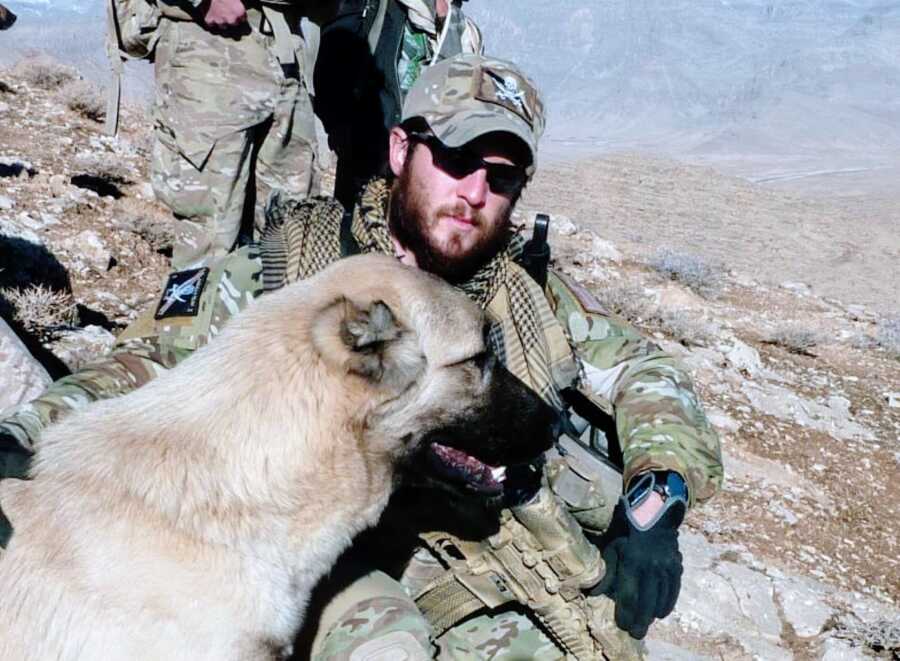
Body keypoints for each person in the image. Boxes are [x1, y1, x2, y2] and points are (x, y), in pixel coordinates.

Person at [0, 55, 723, 659]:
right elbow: (151, 367)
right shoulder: (293, 273)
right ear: (403, 151)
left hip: (475, 551)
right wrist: (24, 436)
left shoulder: (530, 293)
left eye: (500, 178)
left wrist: (660, 488)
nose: (474, 194)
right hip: (318, 546)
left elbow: (648, 372)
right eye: (458, 160)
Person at [150, 0, 324, 269]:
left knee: (293, 234)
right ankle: (200, 311)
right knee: (209, 242)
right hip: (209, 47)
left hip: (286, 48)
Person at [313, 0, 483, 213]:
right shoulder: (377, 9)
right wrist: (343, 134)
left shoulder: (464, 33)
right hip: (368, 163)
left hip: (429, 176)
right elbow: (332, 66)